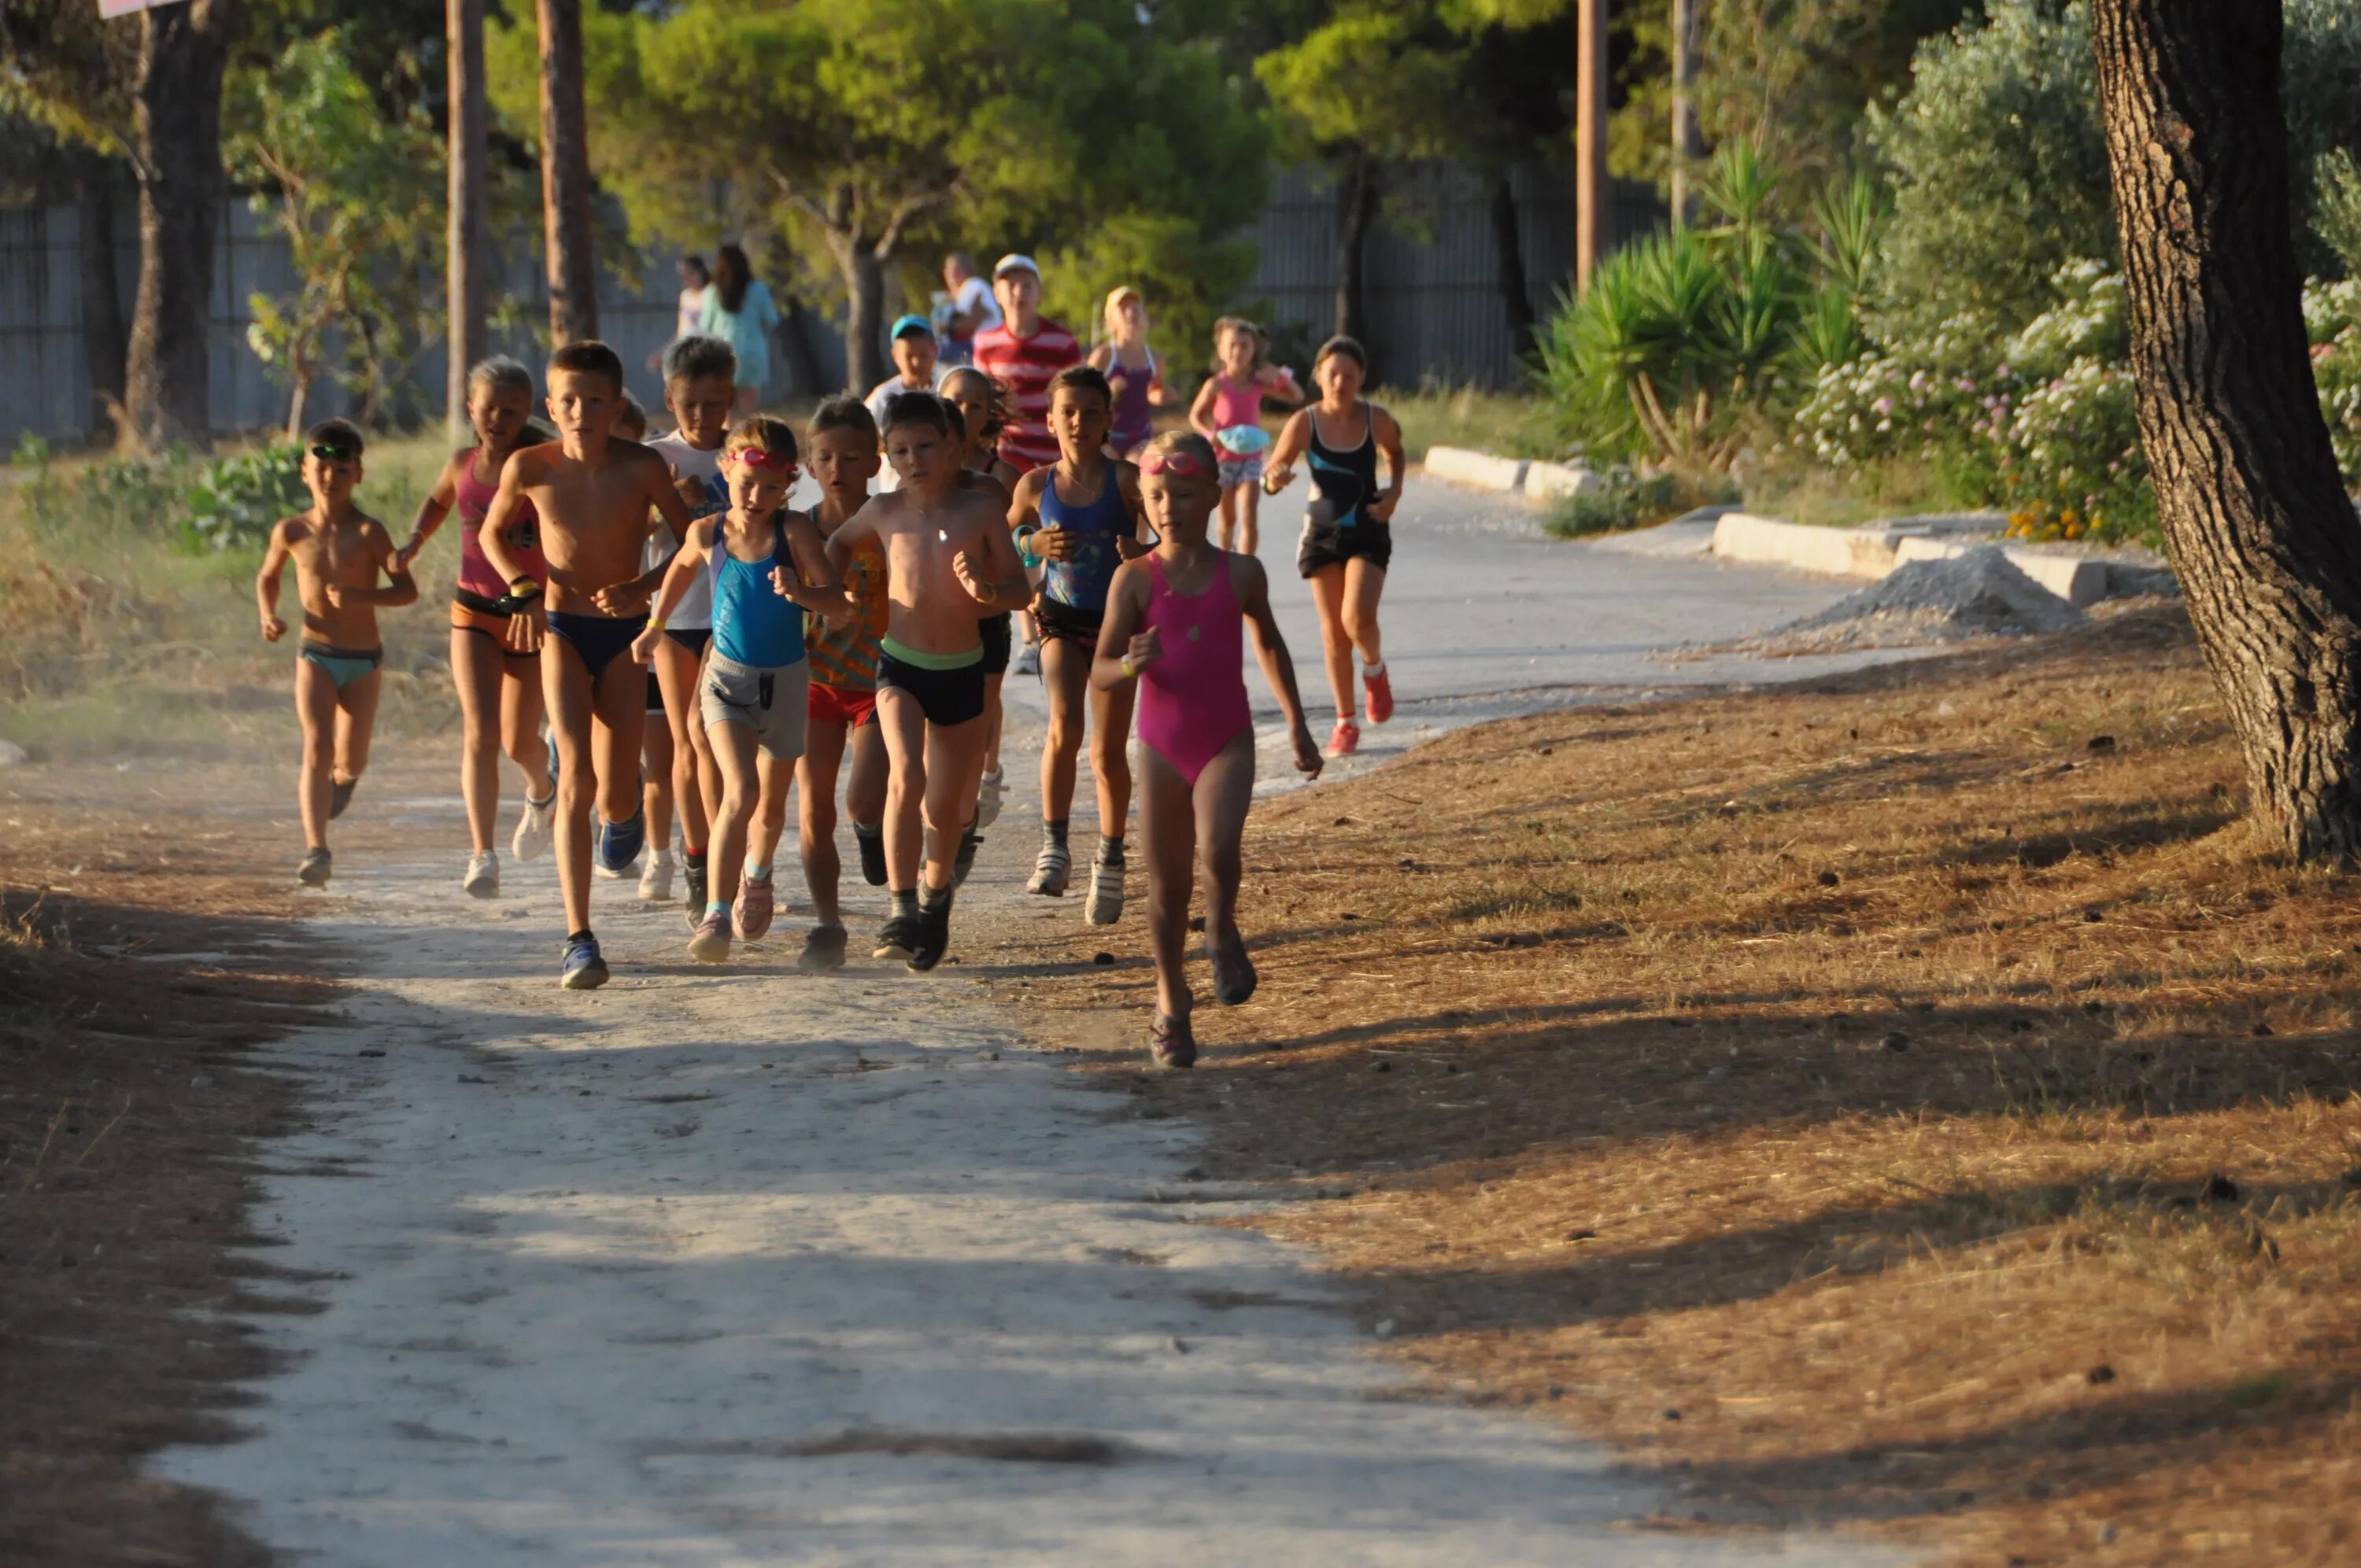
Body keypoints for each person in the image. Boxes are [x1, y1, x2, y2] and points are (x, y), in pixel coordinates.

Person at [1092, 431, 1322, 1067]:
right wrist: (1129, 664)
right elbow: (1100, 669)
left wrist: (1298, 724)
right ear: (1144, 501)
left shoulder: (1241, 574)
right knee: (1166, 887)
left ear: (1214, 498)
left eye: (1184, 494)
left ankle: (1221, 929)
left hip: (1226, 737)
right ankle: (1171, 1002)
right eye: (1158, 496)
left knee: (1219, 847)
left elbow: (1270, 645)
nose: (1170, 507)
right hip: (1162, 748)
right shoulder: (1133, 580)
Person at [479, 340, 697, 990]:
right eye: (568, 401)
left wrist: (646, 586)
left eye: (594, 400)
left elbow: (694, 539)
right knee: (574, 776)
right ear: (550, 405)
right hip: (563, 628)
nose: (580, 412)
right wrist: (519, 584)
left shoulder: (642, 467)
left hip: (628, 634)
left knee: (617, 791)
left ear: (616, 405)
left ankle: (623, 806)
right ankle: (579, 937)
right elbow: (493, 533)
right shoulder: (530, 466)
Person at [823, 393, 1028, 971]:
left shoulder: (981, 511)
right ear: (888, 456)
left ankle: (936, 901)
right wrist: (831, 591)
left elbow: (1021, 590)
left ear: (953, 447)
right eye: (901, 450)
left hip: (962, 669)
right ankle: (901, 905)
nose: (913, 460)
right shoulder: (885, 511)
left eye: (925, 447)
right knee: (905, 776)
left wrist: (988, 594)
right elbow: (839, 541)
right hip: (900, 666)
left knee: (944, 809)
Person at [630, 417, 840, 963]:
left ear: (790, 485)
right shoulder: (708, 533)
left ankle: (759, 873)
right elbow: (677, 571)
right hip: (726, 679)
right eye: (747, 483)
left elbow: (840, 602)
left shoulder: (794, 534)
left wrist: (801, 592)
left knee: (770, 811)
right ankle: (715, 915)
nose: (757, 496)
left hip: (788, 681)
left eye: (772, 487)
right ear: (727, 469)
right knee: (739, 791)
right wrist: (655, 628)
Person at [399, 358, 556, 898]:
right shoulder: (461, 462)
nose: (498, 418)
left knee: (517, 742)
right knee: (480, 731)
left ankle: (543, 788)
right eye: (489, 407)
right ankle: (481, 854)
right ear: (472, 409)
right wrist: (415, 541)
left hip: (528, 617)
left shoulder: (539, 466)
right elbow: (439, 500)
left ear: (526, 413)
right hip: (472, 612)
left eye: (511, 410)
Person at [1007, 366, 1151, 923]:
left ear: (1108, 419)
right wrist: (1032, 543)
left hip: (1118, 627)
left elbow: (1175, 531)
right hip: (1060, 621)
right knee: (1064, 726)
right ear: (1049, 421)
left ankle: (1110, 860)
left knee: (1107, 752)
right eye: (1068, 411)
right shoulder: (1035, 485)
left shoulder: (1128, 480)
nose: (1079, 421)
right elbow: (1004, 537)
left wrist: (1143, 550)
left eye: (1092, 412)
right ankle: (1054, 849)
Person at [255, 420, 419, 888]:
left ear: (359, 475)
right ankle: (316, 849)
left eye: (342, 469)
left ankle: (342, 784)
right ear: (305, 472)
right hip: (316, 653)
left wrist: (361, 597)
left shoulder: (370, 532)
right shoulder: (291, 530)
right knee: (316, 746)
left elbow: (406, 590)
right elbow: (268, 576)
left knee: (351, 760)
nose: (331, 477)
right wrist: (269, 614)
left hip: (364, 660)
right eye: (321, 467)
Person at [1262, 335, 1404, 759]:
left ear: (1361, 378)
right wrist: (1276, 479)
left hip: (1367, 527)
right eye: (1332, 374)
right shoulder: (1305, 422)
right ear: (1319, 377)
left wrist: (1394, 491)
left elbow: (1395, 451)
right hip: (1322, 533)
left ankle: (1375, 670)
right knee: (1333, 634)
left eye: (1349, 375)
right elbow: (1274, 469)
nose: (1340, 382)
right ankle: (1345, 722)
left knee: (1357, 619)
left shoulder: (1375, 418)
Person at [635, 335, 736, 917]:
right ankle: (699, 864)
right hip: (678, 617)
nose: (702, 416)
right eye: (690, 403)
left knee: (728, 749)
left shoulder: (746, 453)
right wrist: (666, 502)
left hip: (737, 618)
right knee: (690, 740)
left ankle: (731, 857)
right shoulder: (653, 459)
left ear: (732, 399)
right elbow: (633, 531)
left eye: (715, 402)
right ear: (670, 400)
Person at [794, 397, 892, 973]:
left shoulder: (889, 522)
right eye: (825, 457)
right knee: (813, 808)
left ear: (875, 462)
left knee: (861, 797)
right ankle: (828, 924)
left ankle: (871, 826)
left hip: (879, 680)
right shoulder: (796, 529)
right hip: (813, 681)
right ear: (809, 466)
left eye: (852, 457)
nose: (838, 469)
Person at [940, 367, 1023, 836]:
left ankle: (977, 788)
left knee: (985, 708)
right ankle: (949, 804)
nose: (963, 412)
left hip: (988, 615)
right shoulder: (921, 471)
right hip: (934, 619)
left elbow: (1023, 545)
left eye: (974, 404)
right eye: (954, 401)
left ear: (989, 415)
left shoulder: (1002, 478)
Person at [1189, 316, 1302, 558]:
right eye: (1232, 345)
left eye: (1245, 346)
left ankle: (1246, 565)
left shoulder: (1257, 383)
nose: (1238, 351)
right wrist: (1210, 434)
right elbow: (1195, 415)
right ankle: (1226, 560)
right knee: (1227, 520)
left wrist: (1279, 375)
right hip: (1223, 460)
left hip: (1250, 460)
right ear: (1221, 350)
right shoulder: (1216, 385)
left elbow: (1296, 396)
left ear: (1254, 351)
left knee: (1249, 516)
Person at [971, 254, 1082, 474]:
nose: (1019, 292)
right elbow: (980, 397)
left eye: (1027, 286)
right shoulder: (985, 342)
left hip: (1058, 451)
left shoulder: (1062, 341)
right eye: (1011, 285)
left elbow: (1082, 392)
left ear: (1039, 292)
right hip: (1009, 452)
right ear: (997, 294)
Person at [696, 242, 778, 419]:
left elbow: (705, 325)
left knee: (726, 412)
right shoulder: (759, 290)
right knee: (747, 412)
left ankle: (728, 445)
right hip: (753, 354)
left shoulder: (712, 292)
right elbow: (772, 319)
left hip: (722, 356)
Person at [1087, 286, 1171, 459]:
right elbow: (1081, 396)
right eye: (1123, 308)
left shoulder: (1156, 359)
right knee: (1108, 472)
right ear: (1111, 322)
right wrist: (1108, 390)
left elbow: (1154, 391)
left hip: (1140, 436)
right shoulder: (1103, 356)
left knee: (1135, 470)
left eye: (1135, 308)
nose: (1131, 312)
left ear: (1144, 317)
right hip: (1105, 438)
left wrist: (1161, 395)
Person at [865, 315, 944, 493]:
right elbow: (862, 435)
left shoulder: (946, 390)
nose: (917, 362)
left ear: (935, 350)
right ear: (895, 355)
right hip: (895, 492)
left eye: (923, 355)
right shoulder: (882, 397)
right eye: (909, 355)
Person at [646, 254, 711, 373]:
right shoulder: (685, 296)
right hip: (686, 357)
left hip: (707, 357)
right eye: (682, 275)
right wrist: (664, 352)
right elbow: (681, 332)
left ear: (700, 271)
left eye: (689, 273)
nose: (685, 279)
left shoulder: (711, 294)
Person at [938, 253, 1002, 369]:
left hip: (985, 348)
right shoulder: (970, 288)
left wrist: (945, 327)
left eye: (952, 271)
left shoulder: (972, 286)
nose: (949, 276)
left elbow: (972, 322)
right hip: (985, 347)